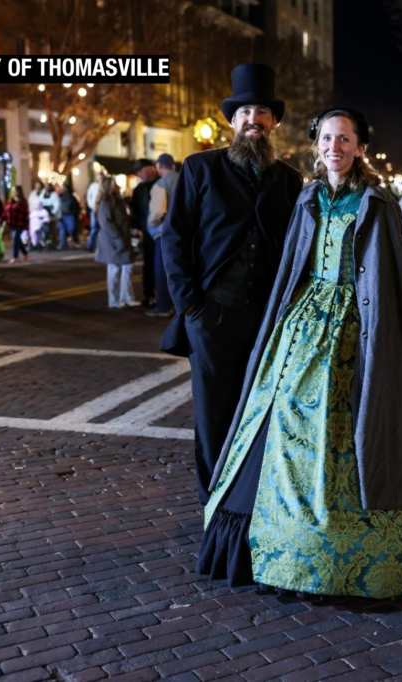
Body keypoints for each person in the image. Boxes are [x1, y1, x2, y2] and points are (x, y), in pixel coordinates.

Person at [198, 106, 402, 598]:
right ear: (316, 145)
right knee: (280, 412)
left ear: (360, 148)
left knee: (345, 422)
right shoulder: (307, 199)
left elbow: (387, 281)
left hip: (357, 326)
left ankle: (343, 547)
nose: (333, 148)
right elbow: (292, 266)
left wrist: (374, 333)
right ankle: (273, 541)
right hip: (302, 320)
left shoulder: (376, 202)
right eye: (326, 139)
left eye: (344, 140)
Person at [160, 63, 303, 505]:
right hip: (212, 315)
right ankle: (213, 506)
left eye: (262, 112)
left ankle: (249, 503)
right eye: (244, 112)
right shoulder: (201, 168)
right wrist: (191, 306)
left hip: (266, 318)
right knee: (213, 416)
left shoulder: (289, 179)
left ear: (273, 122)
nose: (253, 120)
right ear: (232, 121)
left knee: (260, 413)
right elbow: (174, 235)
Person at [94, 176, 139, 309]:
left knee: (126, 267)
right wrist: (118, 237)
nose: (118, 187)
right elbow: (106, 223)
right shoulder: (106, 202)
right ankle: (114, 300)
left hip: (121, 238)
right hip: (113, 240)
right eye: (115, 185)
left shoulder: (117, 200)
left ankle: (127, 297)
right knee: (114, 269)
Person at [146, 154, 180, 317]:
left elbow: (157, 212)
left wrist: (151, 225)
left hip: (164, 232)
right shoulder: (183, 179)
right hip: (185, 232)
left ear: (159, 166)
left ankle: (164, 305)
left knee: (161, 270)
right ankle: (178, 304)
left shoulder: (161, 184)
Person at [129, 160, 158, 306]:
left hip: (161, 232)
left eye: (140, 170)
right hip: (147, 233)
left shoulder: (161, 183)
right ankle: (149, 294)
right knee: (149, 265)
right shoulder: (139, 189)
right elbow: (134, 210)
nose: (139, 174)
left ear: (150, 169)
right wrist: (137, 226)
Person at [2, 185, 30, 264]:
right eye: (13, 190)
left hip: (19, 223)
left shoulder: (23, 202)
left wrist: (27, 225)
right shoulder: (12, 201)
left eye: (15, 190)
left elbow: (24, 213)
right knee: (18, 240)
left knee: (15, 239)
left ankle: (15, 257)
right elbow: (6, 211)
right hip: (12, 223)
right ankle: (25, 254)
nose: (14, 192)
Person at [57, 184, 82, 249]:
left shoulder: (71, 197)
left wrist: (75, 214)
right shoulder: (59, 197)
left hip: (70, 215)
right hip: (61, 215)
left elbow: (76, 207)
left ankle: (76, 241)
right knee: (62, 230)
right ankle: (63, 244)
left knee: (71, 229)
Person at [86, 171, 104, 252]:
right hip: (94, 209)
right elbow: (89, 196)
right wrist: (92, 206)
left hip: (103, 209)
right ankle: (90, 245)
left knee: (103, 227)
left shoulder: (104, 186)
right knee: (94, 227)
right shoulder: (93, 186)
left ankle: (102, 246)